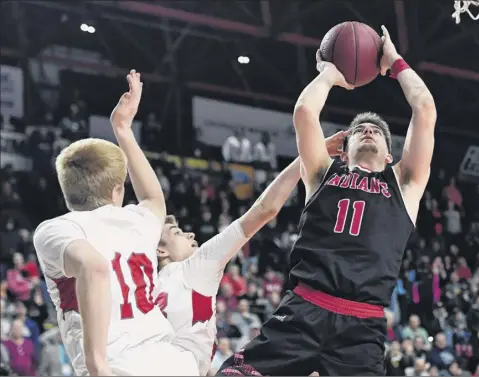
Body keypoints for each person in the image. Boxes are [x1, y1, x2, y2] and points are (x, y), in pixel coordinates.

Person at [217, 25, 437, 376]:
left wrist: (395, 62)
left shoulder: (404, 183)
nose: (368, 130)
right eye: (360, 130)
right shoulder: (322, 172)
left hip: (361, 328)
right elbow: (305, 113)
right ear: (343, 152)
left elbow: (424, 109)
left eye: (377, 132)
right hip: (304, 310)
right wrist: (329, 75)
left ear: (388, 156)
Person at [32, 70, 197, 376]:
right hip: (172, 361)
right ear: (118, 191)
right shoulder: (139, 221)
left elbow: (94, 267)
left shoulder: (56, 229)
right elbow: (153, 197)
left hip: (119, 367)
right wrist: (122, 128)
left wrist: (96, 365)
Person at [155, 133, 346, 376]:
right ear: (161, 250)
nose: (190, 234)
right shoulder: (194, 267)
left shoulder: (145, 286)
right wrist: (305, 156)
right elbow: (265, 210)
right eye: (178, 233)